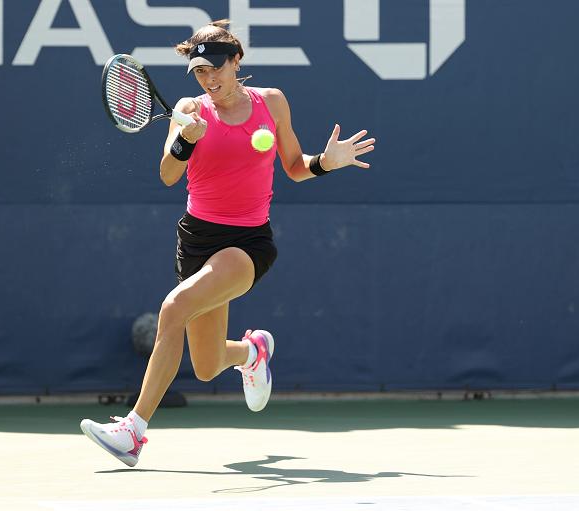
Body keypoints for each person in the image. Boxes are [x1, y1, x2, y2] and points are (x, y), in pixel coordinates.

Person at [80, 20, 375, 467]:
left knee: (173, 309)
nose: (209, 79)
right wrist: (185, 140)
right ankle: (252, 351)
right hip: (197, 241)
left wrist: (326, 162)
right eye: (200, 72)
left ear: (236, 61)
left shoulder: (271, 102)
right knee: (207, 364)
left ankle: (133, 432)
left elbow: (295, 167)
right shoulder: (188, 110)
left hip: (247, 244)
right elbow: (167, 175)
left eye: (216, 68)